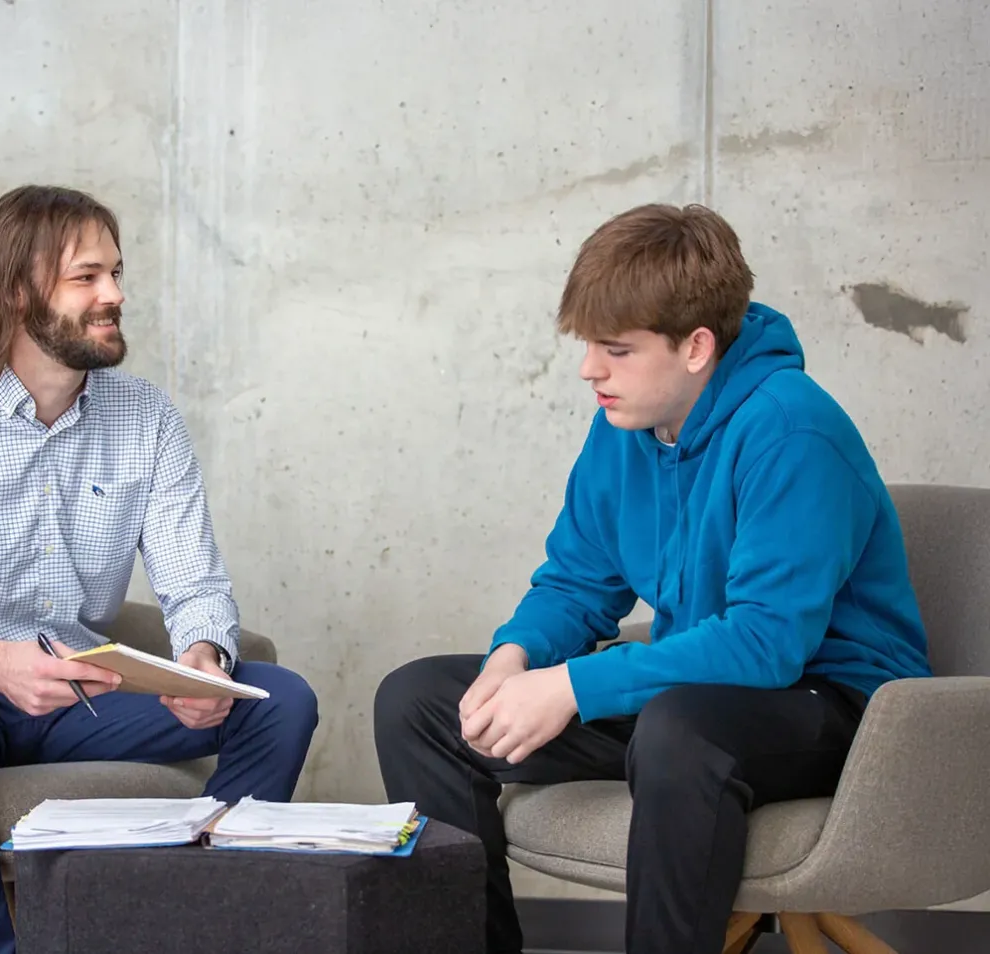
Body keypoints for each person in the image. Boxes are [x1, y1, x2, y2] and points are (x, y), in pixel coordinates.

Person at [373, 203, 931, 954]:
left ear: (696, 346)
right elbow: (577, 581)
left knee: (679, 731)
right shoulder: (623, 426)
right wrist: (517, 658)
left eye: (616, 349)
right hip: (691, 690)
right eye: (587, 346)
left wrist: (574, 686)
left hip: (834, 707)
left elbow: (768, 644)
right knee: (420, 703)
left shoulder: (792, 429)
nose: (588, 370)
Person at [0, 185, 319, 954]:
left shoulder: (149, 419)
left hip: (79, 688)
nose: (116, 296)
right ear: (16, 291)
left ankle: (181, 927)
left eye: (117, 274)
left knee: (280, 700)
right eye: (88, 277)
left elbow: (195, 586)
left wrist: (203, 657)